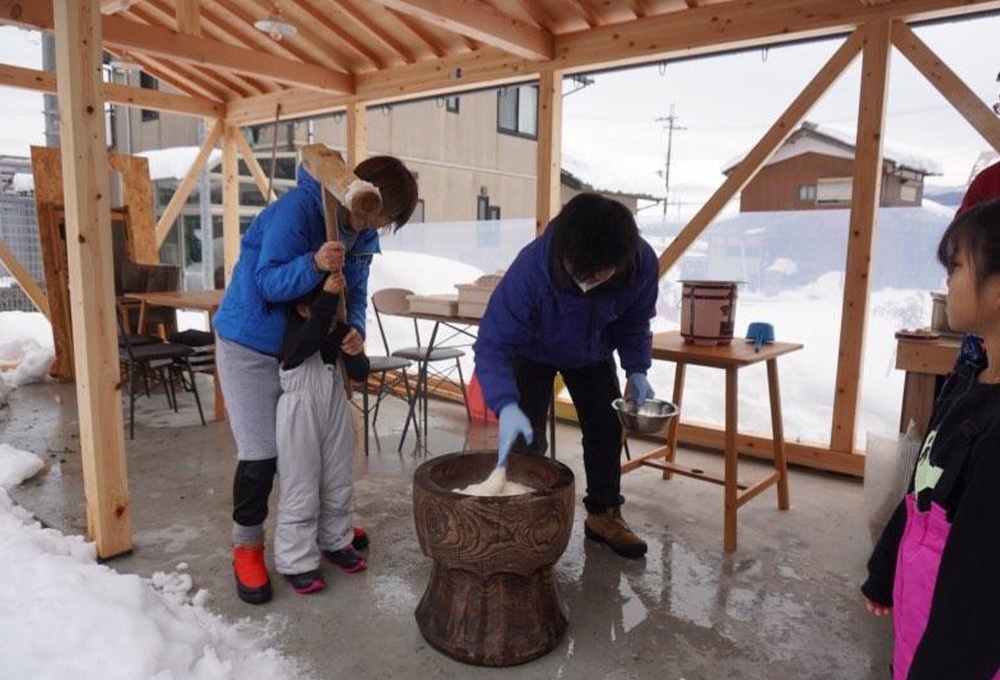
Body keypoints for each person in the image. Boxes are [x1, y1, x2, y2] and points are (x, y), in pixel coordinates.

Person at [214, 155, 418, 604]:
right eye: (372, 210)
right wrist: (312, 264)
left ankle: (330, 528)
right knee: (261, 456)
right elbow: (267, 283)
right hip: (251, 344)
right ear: (356, 188)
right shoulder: (299, 210)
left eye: (384, 220)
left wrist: (355, 331)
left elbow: (356, 293)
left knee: (316, 453)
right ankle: (247, 546)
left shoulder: (364, 235)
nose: (373, 223)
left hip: (308, 349)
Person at [473, 192, 658, 559]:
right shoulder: (531, 269)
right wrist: (505, 403)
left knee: (606, 428)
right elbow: (493, 343)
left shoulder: (640, 263)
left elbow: (634, 320)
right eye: (580, 272)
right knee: (525, 436)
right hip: (533, 351)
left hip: (592, 351)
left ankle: (604, 515)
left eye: (599, 274)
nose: (588, 282)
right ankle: (520, 518)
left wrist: (637, 368)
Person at [862, 198, 1000, 679]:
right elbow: (923, 485)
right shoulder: (968, 382)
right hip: (920, 615)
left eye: (956, 267)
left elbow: (979, 596)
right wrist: (885, 567)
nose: (947, 281)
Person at [274, 272, 370, 594]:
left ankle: (336, 541)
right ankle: (297, 560)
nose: (333, 317)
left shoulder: (335, 331)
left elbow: (360, 373)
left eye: (338, 305)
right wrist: (327, 299)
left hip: (334, 407)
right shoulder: (295, 335)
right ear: (303, 309)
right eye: (327, 307)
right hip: (299, 412)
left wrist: (356, 351)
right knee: (300, 485)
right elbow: (309, 340)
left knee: (338, 479)